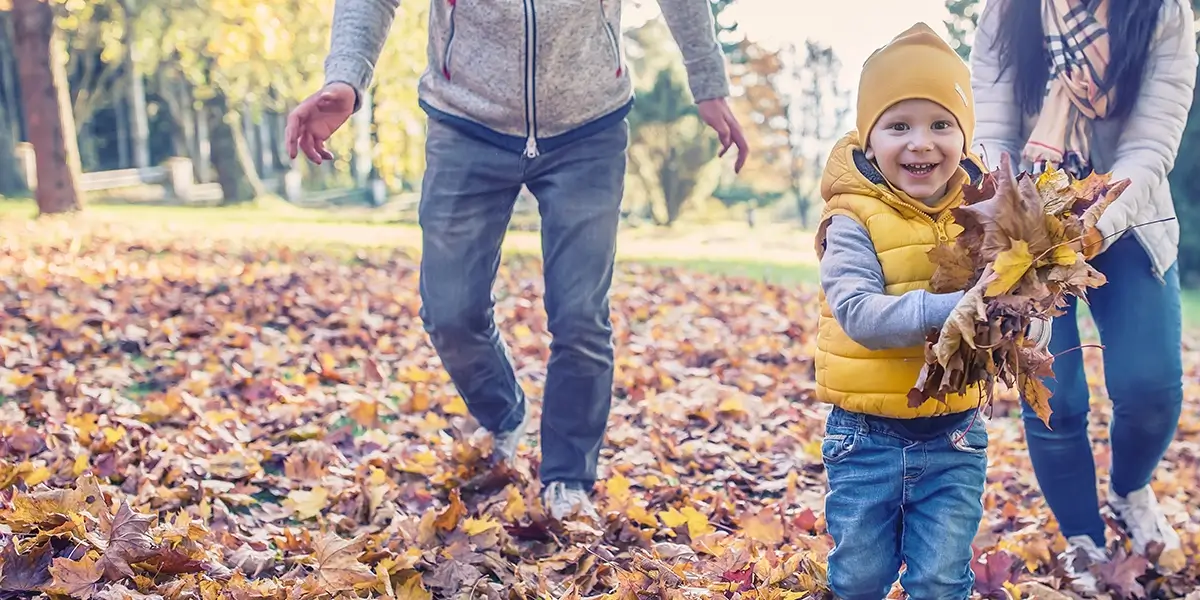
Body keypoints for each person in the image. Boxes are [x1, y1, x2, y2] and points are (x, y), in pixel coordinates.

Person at [285, 0, 749, 521]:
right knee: (450, 312)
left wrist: (708, 82)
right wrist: (347, 77)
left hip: (588, 125)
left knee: (580, 317)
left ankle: (568, 478)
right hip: (466, 119)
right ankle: (504, 413)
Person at [969, 0, 1199, 591]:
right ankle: (1082, 540)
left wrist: (1093, 221)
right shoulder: (1008, 13)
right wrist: (1015, 215)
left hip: (1128, 219)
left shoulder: (1160, 14)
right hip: (1025, 224)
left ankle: (1129, 490)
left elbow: (1151, 146)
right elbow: (992, 130)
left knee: (1151, 388)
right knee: (1056, 398)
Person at [812, 22, 1044, 599]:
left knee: (941, 579)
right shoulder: (851, 220)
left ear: (964, 138)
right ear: (870, 142)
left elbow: (1014, 304)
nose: (921, 142)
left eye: (942, 124)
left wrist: (1021, 316)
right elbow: (860, 314)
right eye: (899, 126)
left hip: (954, 437)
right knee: (859, 577)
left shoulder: (986, 212)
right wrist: (961, 305)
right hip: (865, 438)